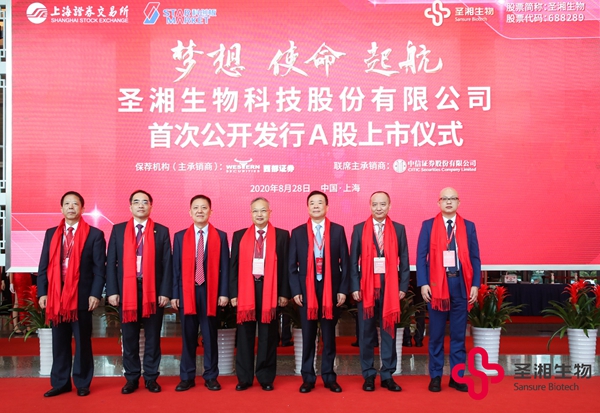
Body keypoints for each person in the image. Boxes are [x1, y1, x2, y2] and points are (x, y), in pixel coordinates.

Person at [37, 191, 106, 397]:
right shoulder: (51, 233)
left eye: (75, 204)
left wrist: (95, 294)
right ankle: (60, 383)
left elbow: (99, 269)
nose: (71, 207)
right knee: (59, 341)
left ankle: (82, 382)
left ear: (82, 209)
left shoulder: (94, 235)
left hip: (82, 296)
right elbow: (43, 266)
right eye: (67, 204)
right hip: (56, 296)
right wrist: (43, 292)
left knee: (83, 342)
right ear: (61, 208)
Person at [106, 190, 172, 394]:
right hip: (126, 291)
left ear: (151, 206)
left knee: (153, 337)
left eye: (145, 202)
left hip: (153, 291)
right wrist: (112, 290)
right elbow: (111, 263)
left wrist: (165, 291)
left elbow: (167, 264)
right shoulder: (118, 230)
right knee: (129, 336)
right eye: (136, 202)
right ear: (130, 207)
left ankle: (151, 377)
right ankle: (132, 378)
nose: (141, 205)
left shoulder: (161, 231)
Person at [416, 187, 481, 392]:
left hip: (460, 285)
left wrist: (475, 284)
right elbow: (421, 257)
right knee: (436, 335)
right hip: (436, 287)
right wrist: (423, 283)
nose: (449, 202)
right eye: (445, 199)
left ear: (459, 202)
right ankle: (435, 376)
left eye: (453, 198)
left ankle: (456, 377)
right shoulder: (428, 225)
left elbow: (475, 258)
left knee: (458, 335)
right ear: (439, 203)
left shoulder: (468, 226)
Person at [289, 190, 349, 393]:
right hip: (306, 291)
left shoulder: (338, 231)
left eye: (320, 203)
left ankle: (329, 377)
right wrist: (296, 290)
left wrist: (343, 290)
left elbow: (345, 263)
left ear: (327, 207)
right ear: (307, 208)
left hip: (331, 289)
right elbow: (292, 266)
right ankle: (308, 377)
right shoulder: (297, 232)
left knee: (329, 336)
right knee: (308, 335)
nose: (316, 206)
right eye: (312, 203)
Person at [350, 191, 410, 392]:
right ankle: (368, 375)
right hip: (366, 289)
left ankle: (387, 375)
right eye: (375, 204)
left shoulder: (399, 229)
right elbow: (353, 261)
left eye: (382, 204)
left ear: (389, 206)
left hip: (390, 289)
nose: (378, 208)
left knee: (388, 332)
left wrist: (402, 287)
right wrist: (355, 287)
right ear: (370, 206)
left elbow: (404, 260)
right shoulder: (359, 229)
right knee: (365, 333)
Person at [230, 197, 290, 391]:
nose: (259, 214)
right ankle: (244, 378)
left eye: (263, 210)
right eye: (255, 211)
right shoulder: (239, 236)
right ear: (250, 214)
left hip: (270, 289)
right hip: (246, 290)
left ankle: (265, 377)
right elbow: (233, 267)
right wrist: (233, 293)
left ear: (270, 212)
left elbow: (285, 266)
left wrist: (283, 293)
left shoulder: (282, 235)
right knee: (244, 335)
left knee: (268, 335)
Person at [171, 195, 229, 392]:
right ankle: (187, 376)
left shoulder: (220, 236)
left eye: (204, 207)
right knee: (188, 337)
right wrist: (175, 294)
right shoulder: (180, 237)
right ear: (190, 212)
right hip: (187, 292)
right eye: (196, 207)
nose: (200, 211)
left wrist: (224, 293)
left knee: (210, 336)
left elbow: (225, 267)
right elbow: (176, 269)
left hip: (211, 292)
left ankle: (211, 376)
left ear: (211, 212)